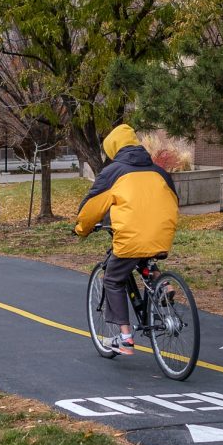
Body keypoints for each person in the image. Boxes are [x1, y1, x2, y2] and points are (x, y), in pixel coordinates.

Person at [74, 124, 179, 355]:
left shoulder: (113, 172)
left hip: (131, 237)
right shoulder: (158, 171)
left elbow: (92, 207)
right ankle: (162, 284)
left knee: (112, 278)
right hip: (161, 233)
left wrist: (81, 229)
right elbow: (173, 198)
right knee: (143, 257)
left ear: (113, 148)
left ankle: (125, 338)